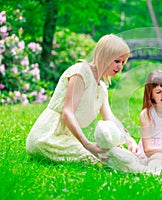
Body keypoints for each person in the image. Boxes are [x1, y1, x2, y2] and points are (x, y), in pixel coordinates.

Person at [26, 34, 138, 164]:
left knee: (113, 156)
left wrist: (129, 140)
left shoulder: (101, 88)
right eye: (117, 61)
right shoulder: (80, 72)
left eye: (123, 63)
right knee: (102, 160)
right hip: (47, 138)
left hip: (68, 139)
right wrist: (87, 145)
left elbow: (110, 118)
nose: (120, 67)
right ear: (104, 56)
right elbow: (67, 113)